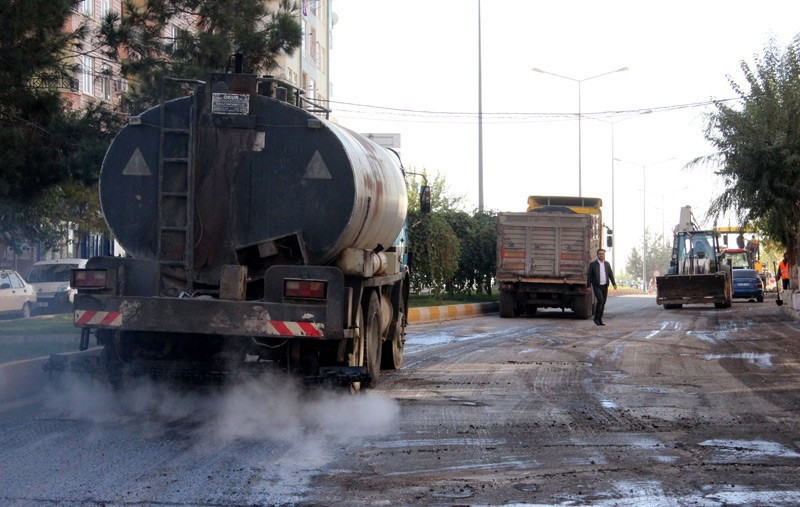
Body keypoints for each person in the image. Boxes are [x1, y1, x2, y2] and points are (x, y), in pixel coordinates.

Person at [587, 248, 617, 326]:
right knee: (600, 300)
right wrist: (588, 285)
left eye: (603, 254)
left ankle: (599, 319)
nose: (601, 255)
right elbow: (589, 276)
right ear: (597, 255)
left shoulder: (607, 264)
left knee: (603, 303)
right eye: (600, 254)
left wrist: (614, 283)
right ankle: (596, 318)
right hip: (597, 285)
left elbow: (610, 274)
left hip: (605, 286)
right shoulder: (593, 264)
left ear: (604, 255)